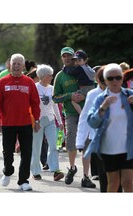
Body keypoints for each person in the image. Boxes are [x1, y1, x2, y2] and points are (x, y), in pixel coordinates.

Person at [0, 53, 40, 191]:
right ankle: (7, 171)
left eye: (19, 63)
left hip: (25, 123)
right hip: (7, 123)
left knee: (26, 152)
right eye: (14, 63)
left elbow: (35, 103)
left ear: (23, 66)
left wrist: (36, 120)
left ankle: (23, 181)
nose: (16, 66)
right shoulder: (2, 82)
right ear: (10, 65)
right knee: (8, 151)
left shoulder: (29, 82)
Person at [84, 63, 133, 192]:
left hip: (128, 147)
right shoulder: (100, 99)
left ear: (122, 79)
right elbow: (92, 122)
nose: (115, 81)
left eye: (118, 77)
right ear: (105, 81)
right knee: (113, 183)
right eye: (110, 78)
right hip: (109, 148)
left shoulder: (130, 95)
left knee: (128, 182)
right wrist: (103, 107)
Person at [53, 47, 85, 185]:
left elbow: (93, 86)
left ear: (74, 57)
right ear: (61, 58)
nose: (66, 58)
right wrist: (70, 96)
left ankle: (86, 176)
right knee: (70, 141)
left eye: (69, 56)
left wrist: (83, 95)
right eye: (64, 56)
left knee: (87, 144)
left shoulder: (82, 71)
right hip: (71, 114)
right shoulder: (60, 76)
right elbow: (55, 97)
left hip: (85, 112)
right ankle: (72, 168)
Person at [75, 66, 107, 189]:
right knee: (104, 176)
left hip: (117, 141)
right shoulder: (93, 95)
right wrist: (80, 141)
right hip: (98, 140)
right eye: (104, 81)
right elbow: (84, 118)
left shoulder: (121, 93)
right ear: (98, 81)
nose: (108, 84)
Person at [30, 64, 64, 181]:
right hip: (37, 121)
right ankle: (35, 171)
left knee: (54, 145)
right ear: (43, 76)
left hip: (50, 120)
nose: (51, 77)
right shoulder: (34, 87)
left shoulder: (52, 88)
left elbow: (55, 106)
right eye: (50, 75)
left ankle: (55, 170)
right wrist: (34, 121)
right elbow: (31, 106)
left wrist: (59, 121)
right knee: (36, 147)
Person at [64, 50, 95, 114]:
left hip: (85, 88)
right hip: (91, 87)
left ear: (85, 60)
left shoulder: (80, 68)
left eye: (79, 60)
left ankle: (81, 113)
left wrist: (64, 68)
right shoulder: (87, 67)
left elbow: (71, 72)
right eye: (76, 60)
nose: (77, 62)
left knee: (74, 100)